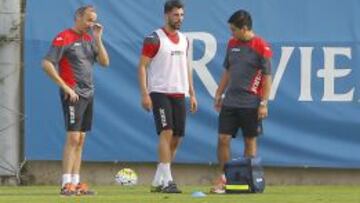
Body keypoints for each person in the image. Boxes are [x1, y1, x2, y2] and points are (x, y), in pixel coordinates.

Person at [42, 5, 109, 196]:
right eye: (89, 19)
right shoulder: (64, 37)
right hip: (73, 93)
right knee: (72, 137)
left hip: (88, 94)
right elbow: (47, 63)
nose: (92, 23)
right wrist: (64, 86)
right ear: (78, 17)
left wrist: (98, 39)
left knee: (81, 139)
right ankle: (65, 185)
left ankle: (76, 183)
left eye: (94, 19)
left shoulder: (90, 38)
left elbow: (105, 62)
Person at [138, 0, 197, 194]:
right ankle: (168, 181)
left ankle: (158, 179)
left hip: (180, 93)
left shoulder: (184, 39)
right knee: (167, 132)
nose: (179, 19)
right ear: (166, 15)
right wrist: (145, 93)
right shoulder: (154, 38)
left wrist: (192, 92)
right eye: (175, 15)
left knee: (177, 138)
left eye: (181, 15)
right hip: (160, 92)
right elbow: (142, 66)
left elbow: (186, 68)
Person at [211, 9, 272, 194]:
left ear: (244, 28)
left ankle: (247, 180)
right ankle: (224, 178)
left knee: (249, 141)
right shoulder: (232, 44)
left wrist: (263, 103)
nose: (232, 33)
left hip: (251, 103)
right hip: (230, 102)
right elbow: (228, 71)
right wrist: (219, 93)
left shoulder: (262, 46)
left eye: (234, 30)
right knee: (223, 139)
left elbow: (267, 78)